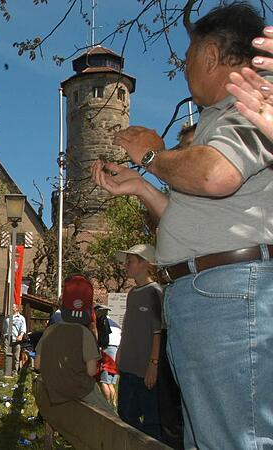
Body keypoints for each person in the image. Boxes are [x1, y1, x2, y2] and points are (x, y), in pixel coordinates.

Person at [91, 4, 273, 447]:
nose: (184, 69)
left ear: (211, 54)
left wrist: (152, 155)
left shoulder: (251, 104)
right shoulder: (217, 119)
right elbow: (198, 215)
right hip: (213, 291)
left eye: (189, 57)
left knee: (232, 439)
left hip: (229, 294)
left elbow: (215, 175)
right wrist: (143, 188)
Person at [33, 275, 116, 413]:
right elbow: (91, 371)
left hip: (53, 390)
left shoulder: (50, 331)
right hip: (80, 390)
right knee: (109, 414)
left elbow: (37, 364)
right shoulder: (85, 334)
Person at [115, 244, 162, 440]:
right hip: (128, 366)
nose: (126, 265)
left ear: (145, 264)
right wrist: (120, 351)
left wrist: (153, 364)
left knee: (152, 421)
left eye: (130, 261)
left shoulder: (156, 292)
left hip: (145, 370)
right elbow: (129, 327)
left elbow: (158, 331)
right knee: (125, 415)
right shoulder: (132, 293)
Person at [94, 304, 121, 408]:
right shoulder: (114, 323)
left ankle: (107, 405)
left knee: (104, 380)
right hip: (116, 351)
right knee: (110, 382)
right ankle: (113, 404)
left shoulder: (100, 322)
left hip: (107, 351)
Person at [9, 303, 27, 376]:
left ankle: (14, 371)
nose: (11, 308)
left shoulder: (21, 318)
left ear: (17, 308)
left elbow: (23, 328)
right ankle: (6, 369)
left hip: (16, 340)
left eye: (13, 307)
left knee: (16, 356)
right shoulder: (8, 317)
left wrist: (21, 335)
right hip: (8, 339)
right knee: (7, 355)